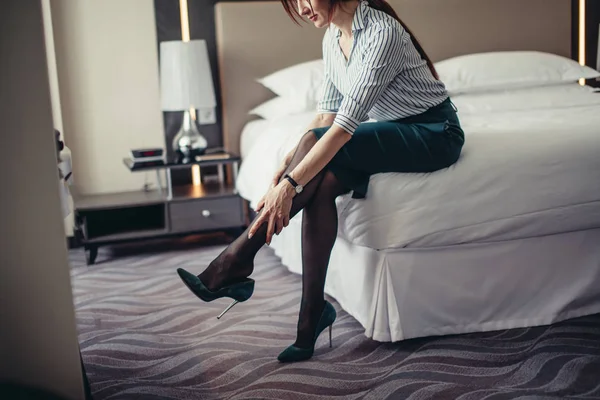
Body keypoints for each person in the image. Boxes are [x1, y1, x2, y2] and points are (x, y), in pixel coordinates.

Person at [177, 0, 465, 363]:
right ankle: (310, 316)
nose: (300, 8)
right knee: (323, 184)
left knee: (312, 167)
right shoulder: (332, 38)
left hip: (434, 133)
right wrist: (286, 164)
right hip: (393, 129)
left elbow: (343, 128)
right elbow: (324, 116)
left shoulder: (382, 33)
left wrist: (290, 184)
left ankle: (236, 260)